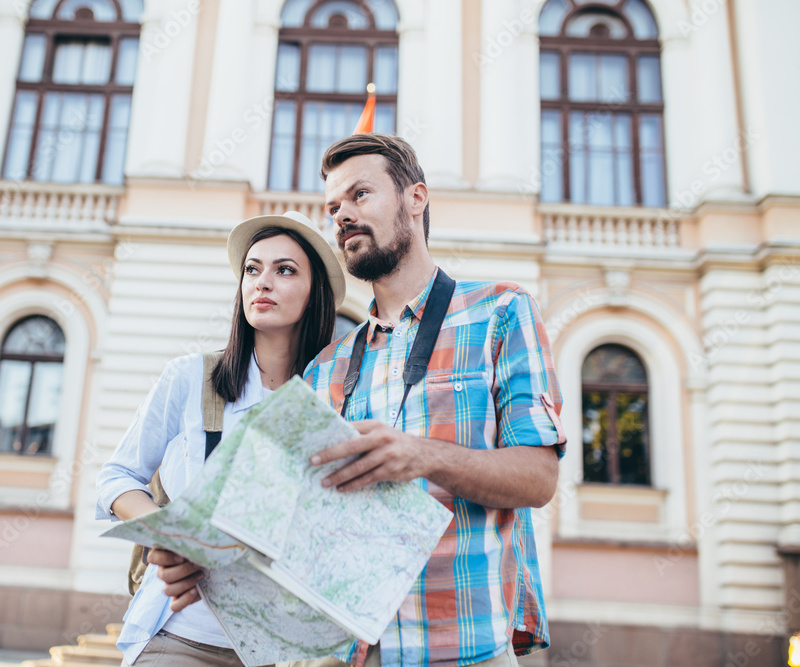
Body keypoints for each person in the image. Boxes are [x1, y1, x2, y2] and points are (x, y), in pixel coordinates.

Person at [298, 134, 567, 667]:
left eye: (360, 195)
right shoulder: (324, 367)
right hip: (349, 651)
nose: (342, 216)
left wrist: (423, 456)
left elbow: (539, 479)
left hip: (464, 648)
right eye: (333, 207)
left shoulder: (502, 312)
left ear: (415, 198)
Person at [96, 211, 346, 667]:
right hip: (179, 638)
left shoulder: (331, 400)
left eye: (284, 270)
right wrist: (169, 535)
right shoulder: (190, 377)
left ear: (315, 295)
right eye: (253, 269)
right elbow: (117, 477)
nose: (262, 282)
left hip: (284, 651)